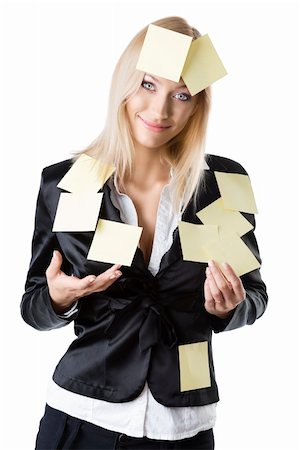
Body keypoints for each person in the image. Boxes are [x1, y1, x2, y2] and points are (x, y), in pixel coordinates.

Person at [21, 16, 268, 450]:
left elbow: (255, 297)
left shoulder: (223, 185)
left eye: (182, 95)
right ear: (125, 84)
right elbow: (34, 305)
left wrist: (231, 307)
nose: (160, 111)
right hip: (82, 416)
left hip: (184, 426)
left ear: (197, 105)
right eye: (148, 85)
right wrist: (60, 297)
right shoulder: (66, 183)